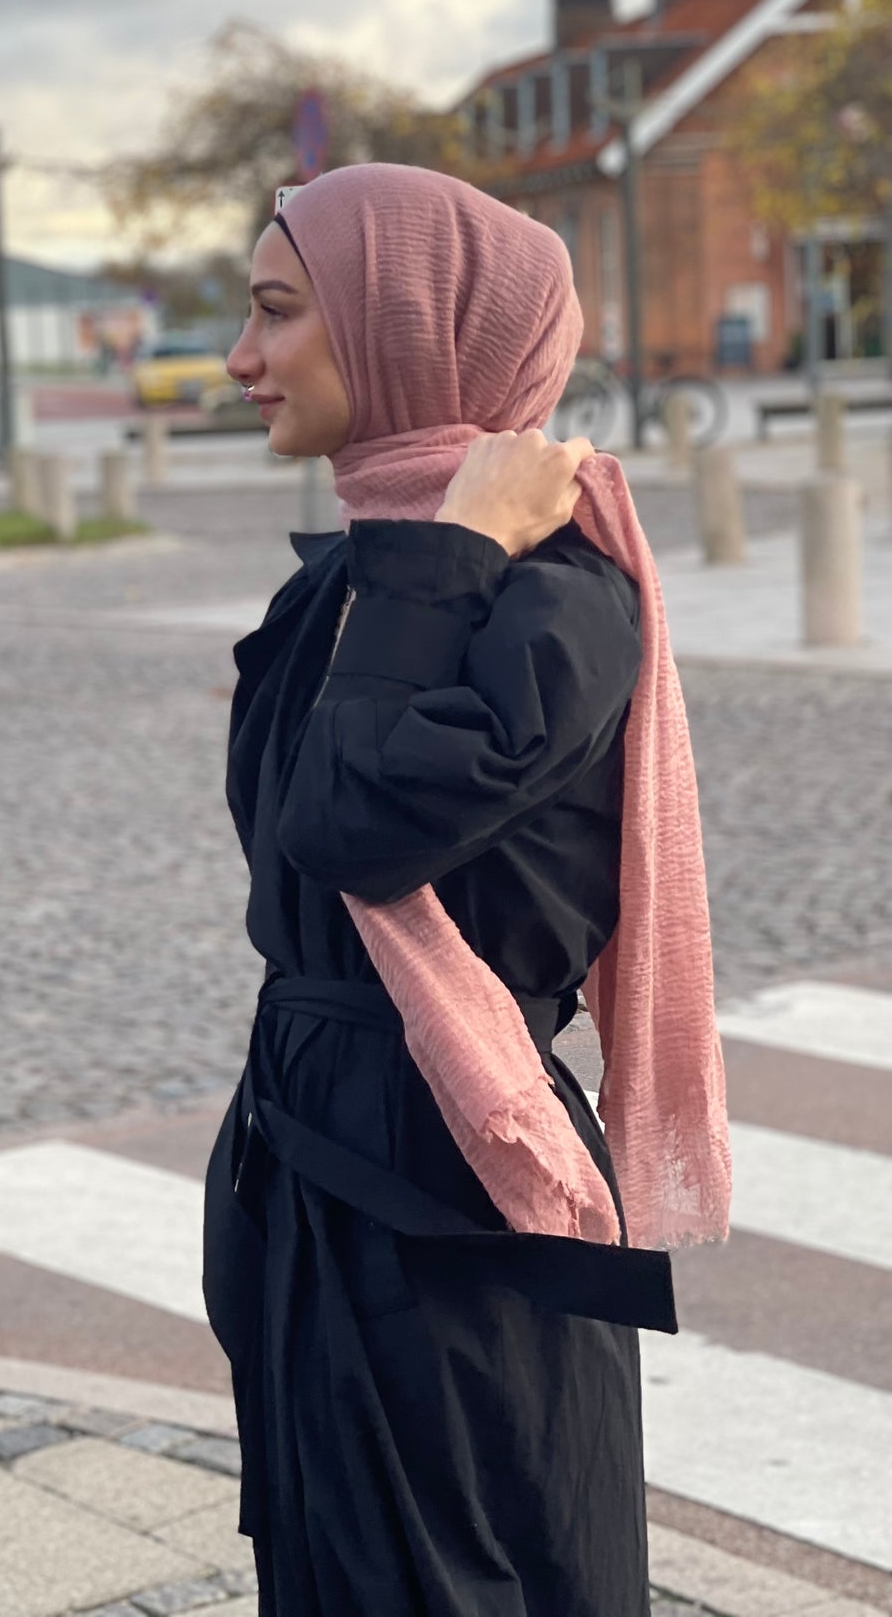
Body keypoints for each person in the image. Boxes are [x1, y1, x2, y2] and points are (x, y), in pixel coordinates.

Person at [205, 165, 731, 1617]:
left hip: (442, 1170)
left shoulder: (549, 598)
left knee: (467, 1568)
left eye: (275, 312)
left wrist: (446, 553)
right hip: (314, 1141)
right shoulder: (346, 586)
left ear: (403, 327)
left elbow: (350, 827)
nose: (240, 358)